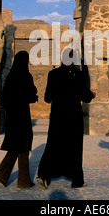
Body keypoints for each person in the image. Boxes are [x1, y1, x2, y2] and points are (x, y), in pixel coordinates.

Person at [37, 48, 95, 189]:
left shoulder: (53, 74)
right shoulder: (79, 75)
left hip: (58, 116)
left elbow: (47, 98)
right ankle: (77, 180)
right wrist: (91, 95)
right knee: (74, 147)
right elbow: (85, 97)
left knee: (53, 145)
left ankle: (44, 175)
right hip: (74, 116)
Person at [0, 51, 38, 189]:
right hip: (22, 116)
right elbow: (31, 92)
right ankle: (22, 181)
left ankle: (2, 174)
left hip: (12, 117)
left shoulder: (10, 77)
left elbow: (5, 96)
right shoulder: (25, 76)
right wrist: (32, 98)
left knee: (17, 146)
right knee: (22, 147)